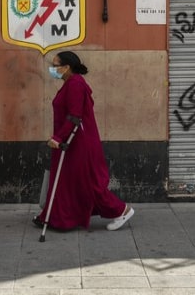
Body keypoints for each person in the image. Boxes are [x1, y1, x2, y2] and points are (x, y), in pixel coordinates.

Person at [33, 50, 134, 232]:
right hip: (71, 141)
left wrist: (58, 138)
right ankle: (54, 217)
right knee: (65, 180)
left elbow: (74, 116)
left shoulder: (75, 85)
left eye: (56, 65)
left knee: (87, 182)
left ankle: (122, 210)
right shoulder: (69, 83)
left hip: (79, 143)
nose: (53, 69)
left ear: (67, 67)